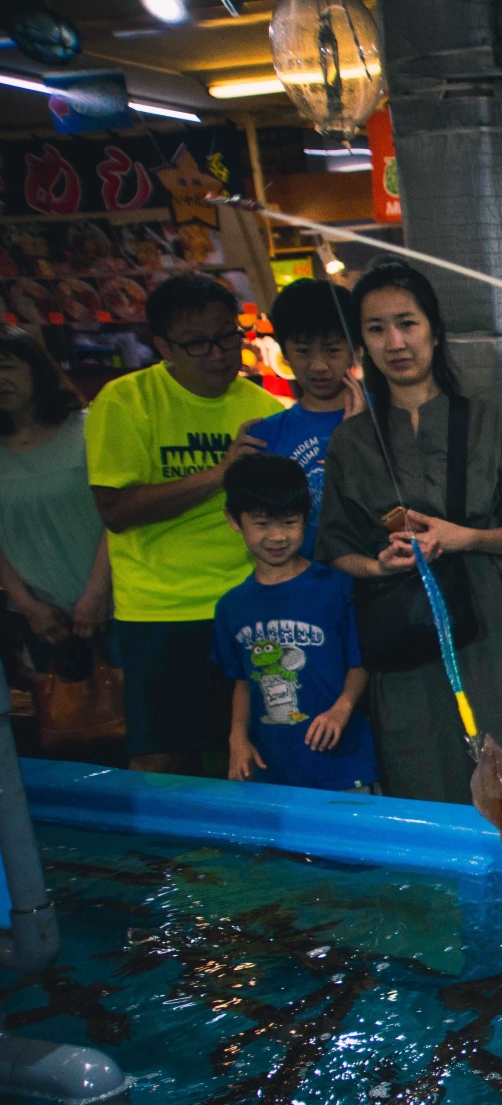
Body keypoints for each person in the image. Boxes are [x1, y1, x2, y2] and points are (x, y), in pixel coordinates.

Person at [318, 262, 502, 815]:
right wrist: (380, 566)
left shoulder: (485, 421)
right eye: (375, 329)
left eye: (407, 323)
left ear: (434, 330)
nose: (395, 342)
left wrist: (463, 537)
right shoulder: (350, 440)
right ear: (361, 343)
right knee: (421, 768)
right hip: (400, 631)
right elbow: (336, 546)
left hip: (487, 625)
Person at [86, 274, 281, 774]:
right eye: (198, 344)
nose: (218, 354)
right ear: (163, 347)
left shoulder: (261, 408)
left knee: (250, 753)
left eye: (227, 337)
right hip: (160, 613)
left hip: (247, 603)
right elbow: (116, 511)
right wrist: (221, 473)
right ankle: (157, 856)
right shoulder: (125, 401)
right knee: (161, 758)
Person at [212, 454, 374, 792]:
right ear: (233, 520)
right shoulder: (231, 606)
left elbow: (361, 662)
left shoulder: (336, 586)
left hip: (343, 765)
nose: (276, 536)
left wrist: (340, 710)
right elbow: (240, 681)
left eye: (289, 522)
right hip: (272, 769)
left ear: (306, 516)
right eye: (261, 524)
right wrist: (237, 738)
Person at [0, 327, 105, 690]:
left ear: (35, 368)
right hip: (43, 622)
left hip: (115, 606)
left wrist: (95, 595)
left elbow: (116, 518)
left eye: (7, 367)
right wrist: (27, 605)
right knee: (67, 731)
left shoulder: (90, 430)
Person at [241, 278, 365, 546]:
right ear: (284, 353)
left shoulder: (387, 417)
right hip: (304, 581)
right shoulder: (264, 437)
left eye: (332, 350)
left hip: (380, 576)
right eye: (303, 351)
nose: (318, 366)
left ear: (356, 350)